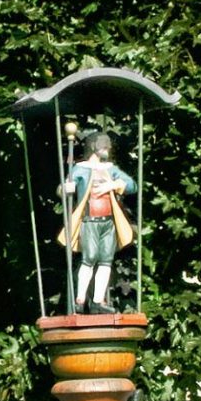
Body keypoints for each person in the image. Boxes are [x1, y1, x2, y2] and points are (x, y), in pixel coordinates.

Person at [60, 132, 135, 314]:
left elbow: (132, 185)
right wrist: (66, 188)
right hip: (89, 221)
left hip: (108, 222)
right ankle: (80, 299)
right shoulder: (81, 169)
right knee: (89, 258)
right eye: (104, 144)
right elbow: (64, 187)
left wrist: (113, 185)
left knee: (106, 260)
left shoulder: (111, 169)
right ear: (93, 146)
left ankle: (98, 301)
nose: (107, 148)